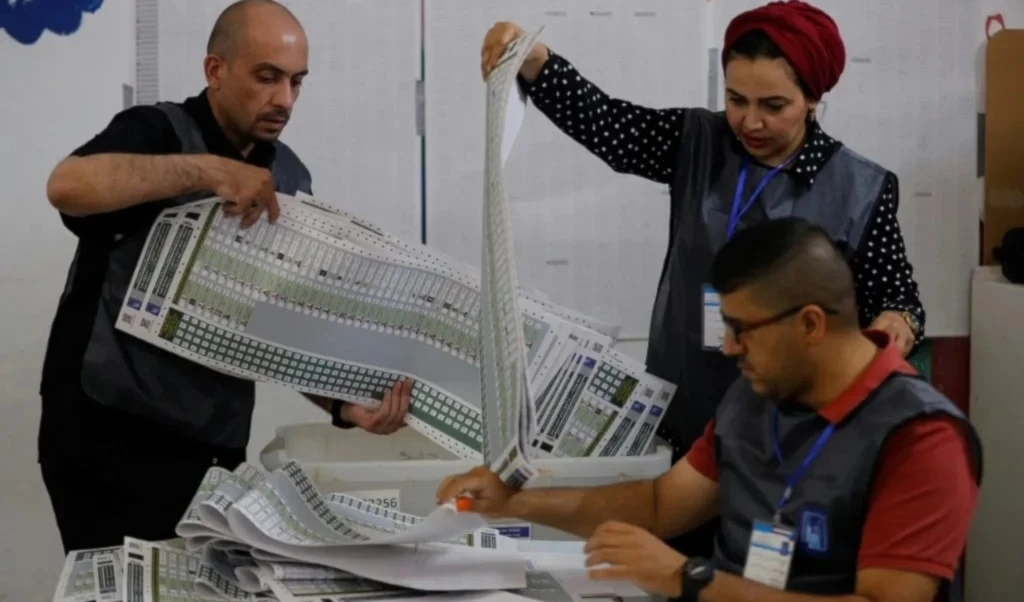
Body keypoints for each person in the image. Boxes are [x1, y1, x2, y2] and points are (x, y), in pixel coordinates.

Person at [479, 0, 928, 558]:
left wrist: (895, 324)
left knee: (774, 577)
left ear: (814, 98)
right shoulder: (696, 141)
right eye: (736, 100)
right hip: (690, 429)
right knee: (680, 564)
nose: (751, 122)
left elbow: (901, 300)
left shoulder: (861, 187)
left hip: (794, 441)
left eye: (774, 105)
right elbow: (608, 124)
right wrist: (535, 59)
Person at [437, 218, 981, 602]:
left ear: (810, 324)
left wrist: (692, 580)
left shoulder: (921, 438)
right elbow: (659, 505)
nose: (726, 348)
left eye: (741, 329)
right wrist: (514, 502)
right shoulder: (754, 392)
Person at [38, 0, 410, 554]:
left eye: (296, 82)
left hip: (212, 445)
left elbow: (273, 323)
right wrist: (209, 170)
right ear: (215, 71)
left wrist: (340, 403)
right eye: (267, 77)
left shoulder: (287, 174)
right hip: (109, 433)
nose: (284, 99)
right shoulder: (154, 130)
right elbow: (67, 186)